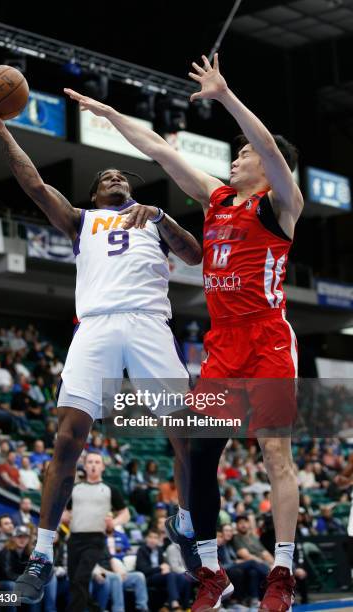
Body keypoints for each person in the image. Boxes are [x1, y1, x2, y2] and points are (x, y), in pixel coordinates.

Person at [66, 51, 303, 611]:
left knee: (275, 455)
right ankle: (211, 573)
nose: (241, 158)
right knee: (199, 455)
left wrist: (224, 97)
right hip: (222, 347)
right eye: (241, 153)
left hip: (267, 340)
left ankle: (283, 570)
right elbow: (159, 150)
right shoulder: (216, 200)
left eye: (245, 154)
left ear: (268, 170)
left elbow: (268, 147)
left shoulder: (282, 206)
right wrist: (107, 112)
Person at [0, 89, 202, 604]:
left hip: (148, 325)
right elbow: (33, 186)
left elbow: (196, 255)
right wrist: (1, 130)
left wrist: (164, 217)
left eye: (122, 176)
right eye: (106, 179)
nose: (116, 179)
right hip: (95, 326)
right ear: (95, 196)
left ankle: (185, 525)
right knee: (68, 439)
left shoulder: (153, 223)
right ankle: (42, 552)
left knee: (187, 437)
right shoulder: (81, 222)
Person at [66, 451, 130, 612]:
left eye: (97, 462)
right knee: (75, 581)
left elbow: (125, 513)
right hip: (74, 539)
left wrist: (113, 523)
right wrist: (64, 518)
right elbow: (65, 512)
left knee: (81, 578)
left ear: (102, 467)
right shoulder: (75, 489)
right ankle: (95, 609)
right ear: (85, 466)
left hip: (95, 539)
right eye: (90, 462)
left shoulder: (110, 489)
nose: (93, 465)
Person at [136, 528, 190, 611]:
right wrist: (160, 568)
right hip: (148, 577)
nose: (152, 540)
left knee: (182, 577)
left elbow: (163, 564)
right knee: (171, 575)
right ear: (146, 538)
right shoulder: (142, 550)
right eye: (150, 537)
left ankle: (185, 606)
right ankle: (174, 602)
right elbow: (143, 569)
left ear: (158, 540)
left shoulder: (159, 550)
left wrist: (166, 567)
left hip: (159, 576)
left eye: (155, 538)